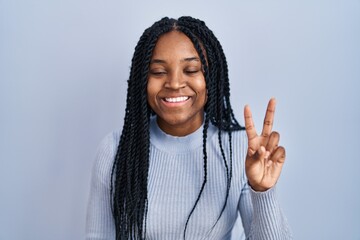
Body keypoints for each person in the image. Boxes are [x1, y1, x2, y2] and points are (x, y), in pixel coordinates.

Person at [86, 16, 292, 240]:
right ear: (142, 80)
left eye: (191, 70)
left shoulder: (239, 149)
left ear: (210, 78)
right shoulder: (115, 150)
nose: (174, 83)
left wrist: (262, 192)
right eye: (158, 72)